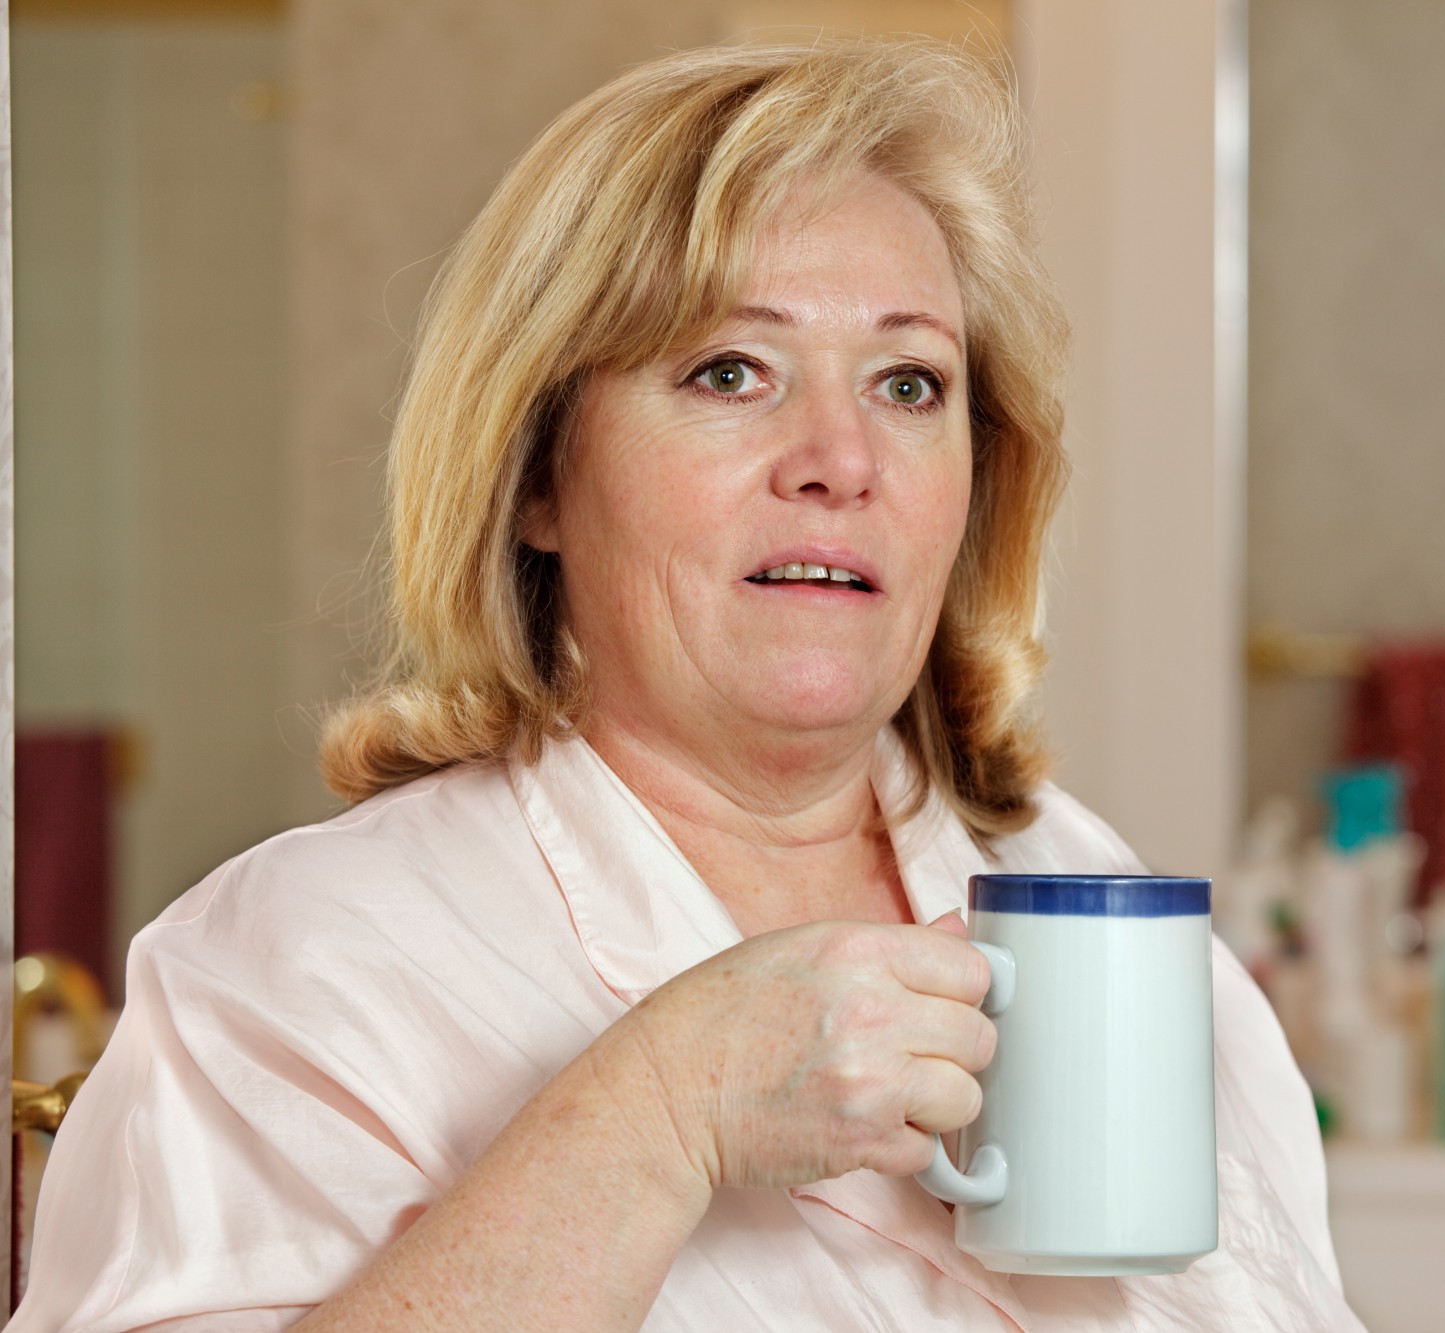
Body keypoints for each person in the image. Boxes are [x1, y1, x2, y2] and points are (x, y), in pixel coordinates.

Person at [15, 39, 1364, 1331]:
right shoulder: (301, 966)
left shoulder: (1098, 904)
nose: (842, 457)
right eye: (732, 371)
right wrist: (661, 1113)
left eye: (909, 382)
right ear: (539, 474)